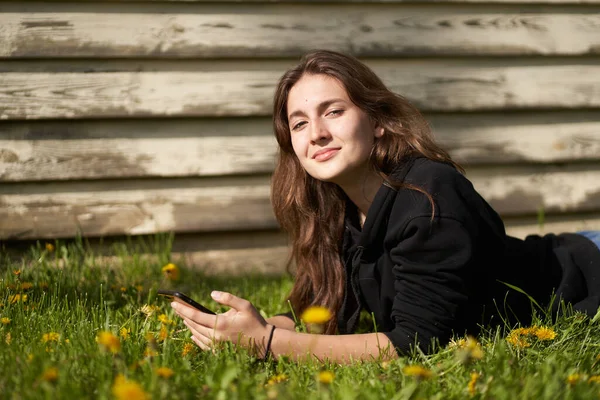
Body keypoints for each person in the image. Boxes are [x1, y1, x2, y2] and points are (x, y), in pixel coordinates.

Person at [171, 50, 600, 363]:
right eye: (299, 123)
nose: (316, 132)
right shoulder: (334, 203)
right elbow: (322, 308)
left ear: (377, 122)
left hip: (587, 273)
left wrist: (267, 344)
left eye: (333, 111)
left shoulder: (429, 198)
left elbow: (413, 346)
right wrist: (246, 328)